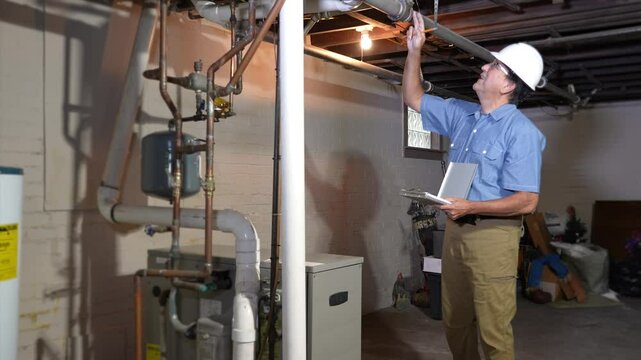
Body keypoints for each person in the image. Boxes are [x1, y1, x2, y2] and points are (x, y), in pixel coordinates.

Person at [402, 11, 546, 360]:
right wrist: (414, 50)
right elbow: (413, 97)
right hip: (455, 231)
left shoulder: (522, 133)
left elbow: (526, 201)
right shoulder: (463, 115)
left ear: (509, 85)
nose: (484, 67)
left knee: (494, 330)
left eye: (494, 66)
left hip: (493, 236)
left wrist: (471, 207)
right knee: (454, 321)